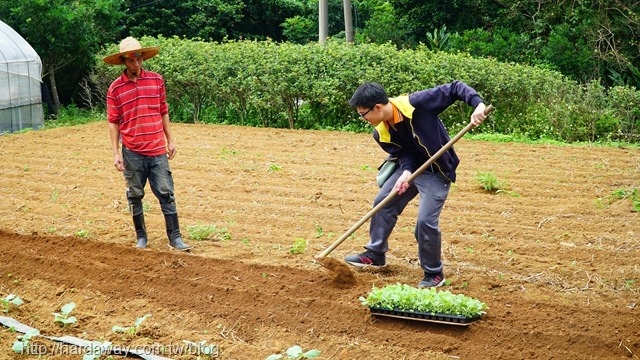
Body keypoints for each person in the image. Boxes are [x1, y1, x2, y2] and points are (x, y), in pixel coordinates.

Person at [344, 81, 487, 287]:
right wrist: (407, 173)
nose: (363, 119)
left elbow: (455, 88)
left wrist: (478, 104)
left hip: (436, 171)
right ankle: (375, 254)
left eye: (363, 114)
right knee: (383, 201)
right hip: (410, 169)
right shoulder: (381, 132)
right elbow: (403, 152)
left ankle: (433, 274)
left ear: (377, 107)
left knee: (425, 222)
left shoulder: (417, 104)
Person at [104, 37, 190, 251]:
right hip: (132, 152)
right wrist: (116, 153)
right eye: (131, 60)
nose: (136, 64)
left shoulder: (156, 80)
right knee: (135, 194)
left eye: (139, 58)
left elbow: (163, 111)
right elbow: (113, 122)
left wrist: (170, 140)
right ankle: (141, 236)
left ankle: (175, 237)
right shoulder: (115, 89)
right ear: (124, 61)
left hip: (156, 149)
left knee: (165, 192)